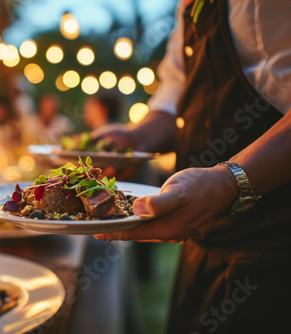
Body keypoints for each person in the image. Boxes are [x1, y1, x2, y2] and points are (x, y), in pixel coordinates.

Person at [92, 1, 291, 333]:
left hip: (273, 252)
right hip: (201, 243)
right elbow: (176, 97)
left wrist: (227, 183)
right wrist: (137, 138)